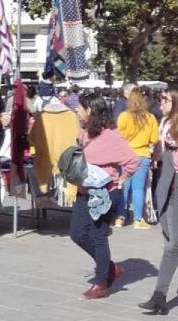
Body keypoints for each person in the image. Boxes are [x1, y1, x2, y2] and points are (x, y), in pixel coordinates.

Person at [70, 95, 139, 299]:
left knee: (98, 236)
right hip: (84, 190)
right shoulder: (83, 132)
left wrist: (122, 179)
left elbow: (132, 161)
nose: (76, 111)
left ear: (90, 110)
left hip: (104, 193)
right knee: (77, 234)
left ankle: (102, 284)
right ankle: (110, 268)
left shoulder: (111, 135)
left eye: (79, 108)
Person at [140, 89, 178, 314]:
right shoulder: (163, 122)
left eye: (165, 99)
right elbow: (160, 153)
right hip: (166, 186)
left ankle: (159, 296)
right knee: (170, 241)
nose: (160, 102)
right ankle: (159, 297)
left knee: (173, 245)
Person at [116, 87, 159, 229]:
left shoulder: (123, 116)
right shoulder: (150, 117)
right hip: (142, 155)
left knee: (123, 187)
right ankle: (137, 220)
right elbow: (154, 139)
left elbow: (118, 137)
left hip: (125, 156)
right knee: (138, 189)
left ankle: (119, 218)